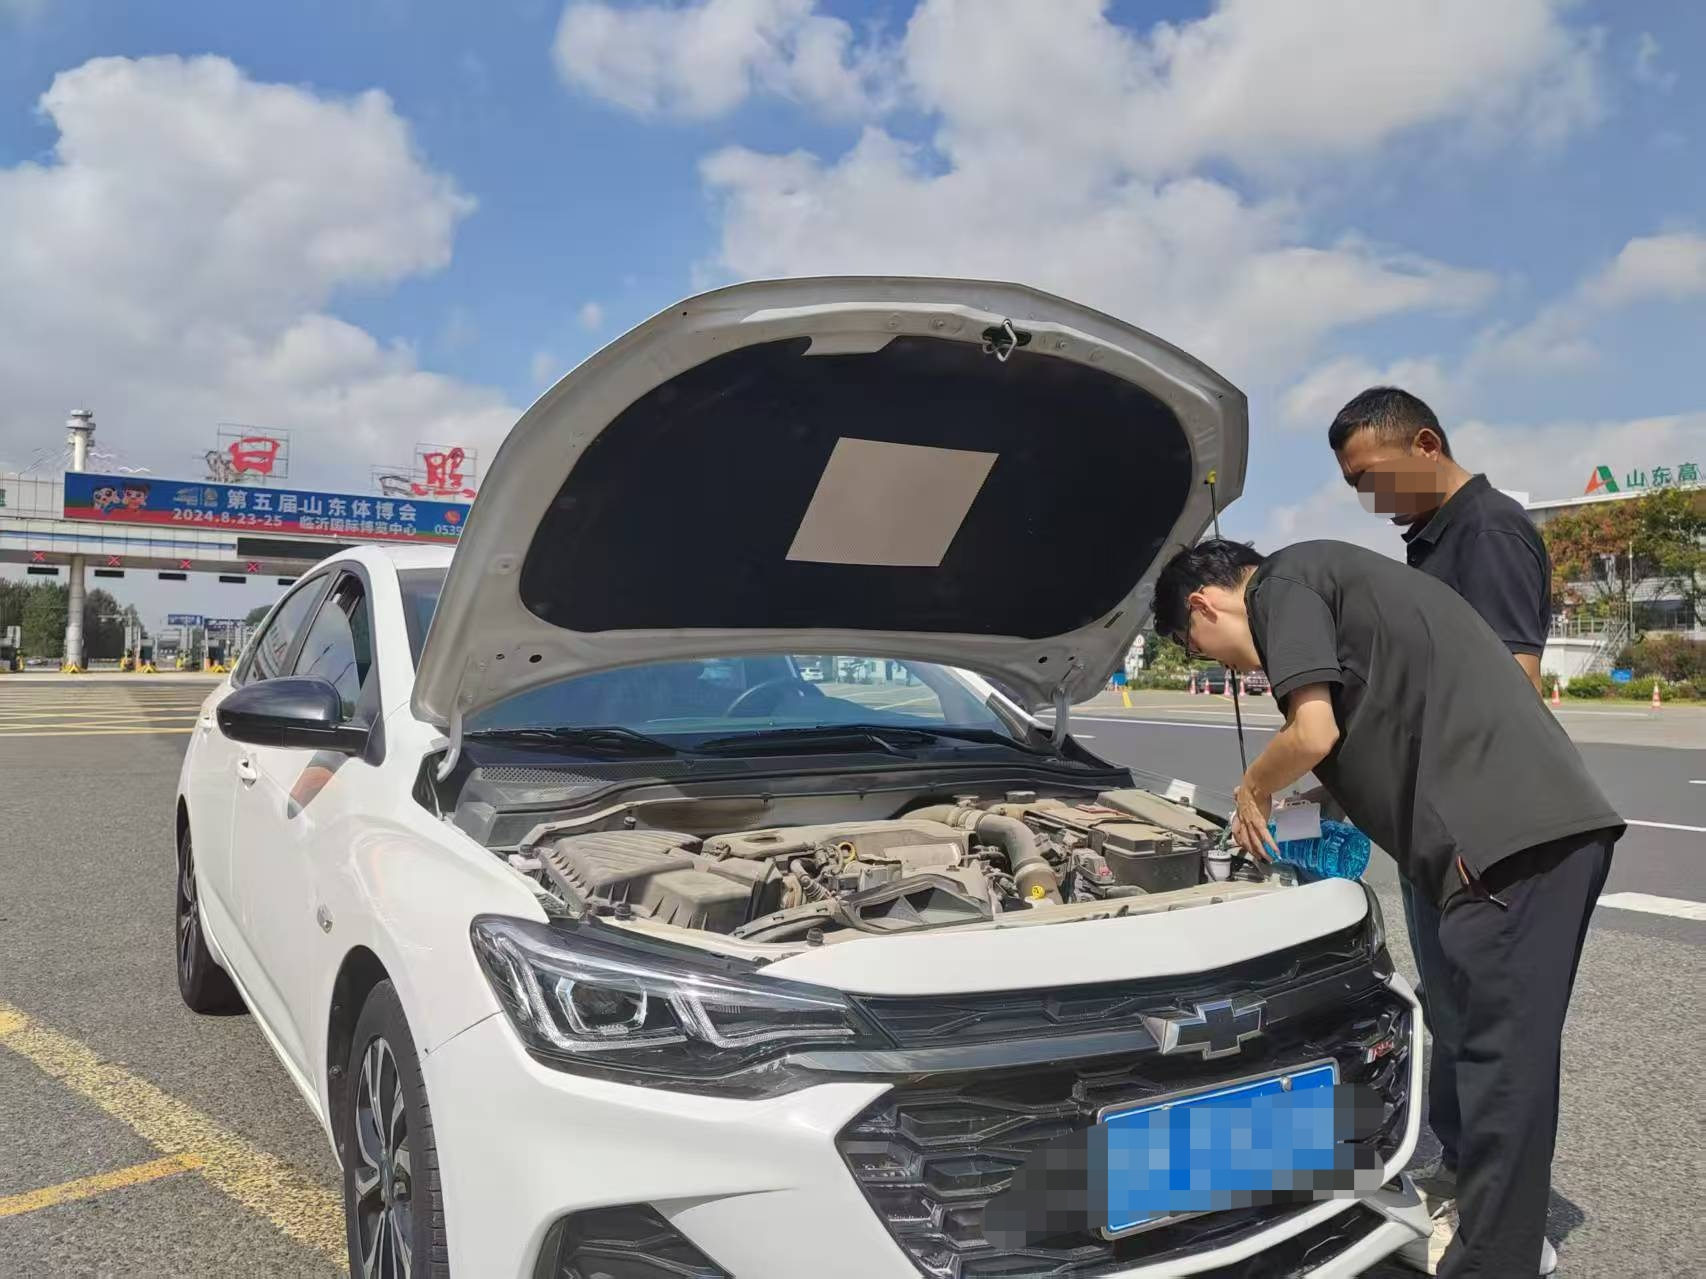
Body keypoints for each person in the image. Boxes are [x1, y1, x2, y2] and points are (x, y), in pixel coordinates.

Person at [1153, 538, 1621, 1279]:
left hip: (1502, 848)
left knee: (1500, 1071)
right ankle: (1505, 1236)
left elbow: (1313, 732)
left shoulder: (1283, 583)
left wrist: (1254, 787)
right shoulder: (1341, 587)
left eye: (1197, 648)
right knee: (1511, 1062)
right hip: (1543, 834)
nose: (1228, 669)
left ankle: (1494, 1262)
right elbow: (1369, 735)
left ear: (1201, 605)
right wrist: (1300, 808)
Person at [1326, 386, 1556, 1268]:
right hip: (1434, 820)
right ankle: (1463, 1171)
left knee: (1489, 1023)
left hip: (1478, 825)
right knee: (1448, 1006)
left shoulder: (1488, 531)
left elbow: (1510, 687)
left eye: (1372, 476)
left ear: (1425, 443)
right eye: (1355, 486)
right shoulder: (1429, 542)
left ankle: (1497, 1217)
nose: (1368, 498)